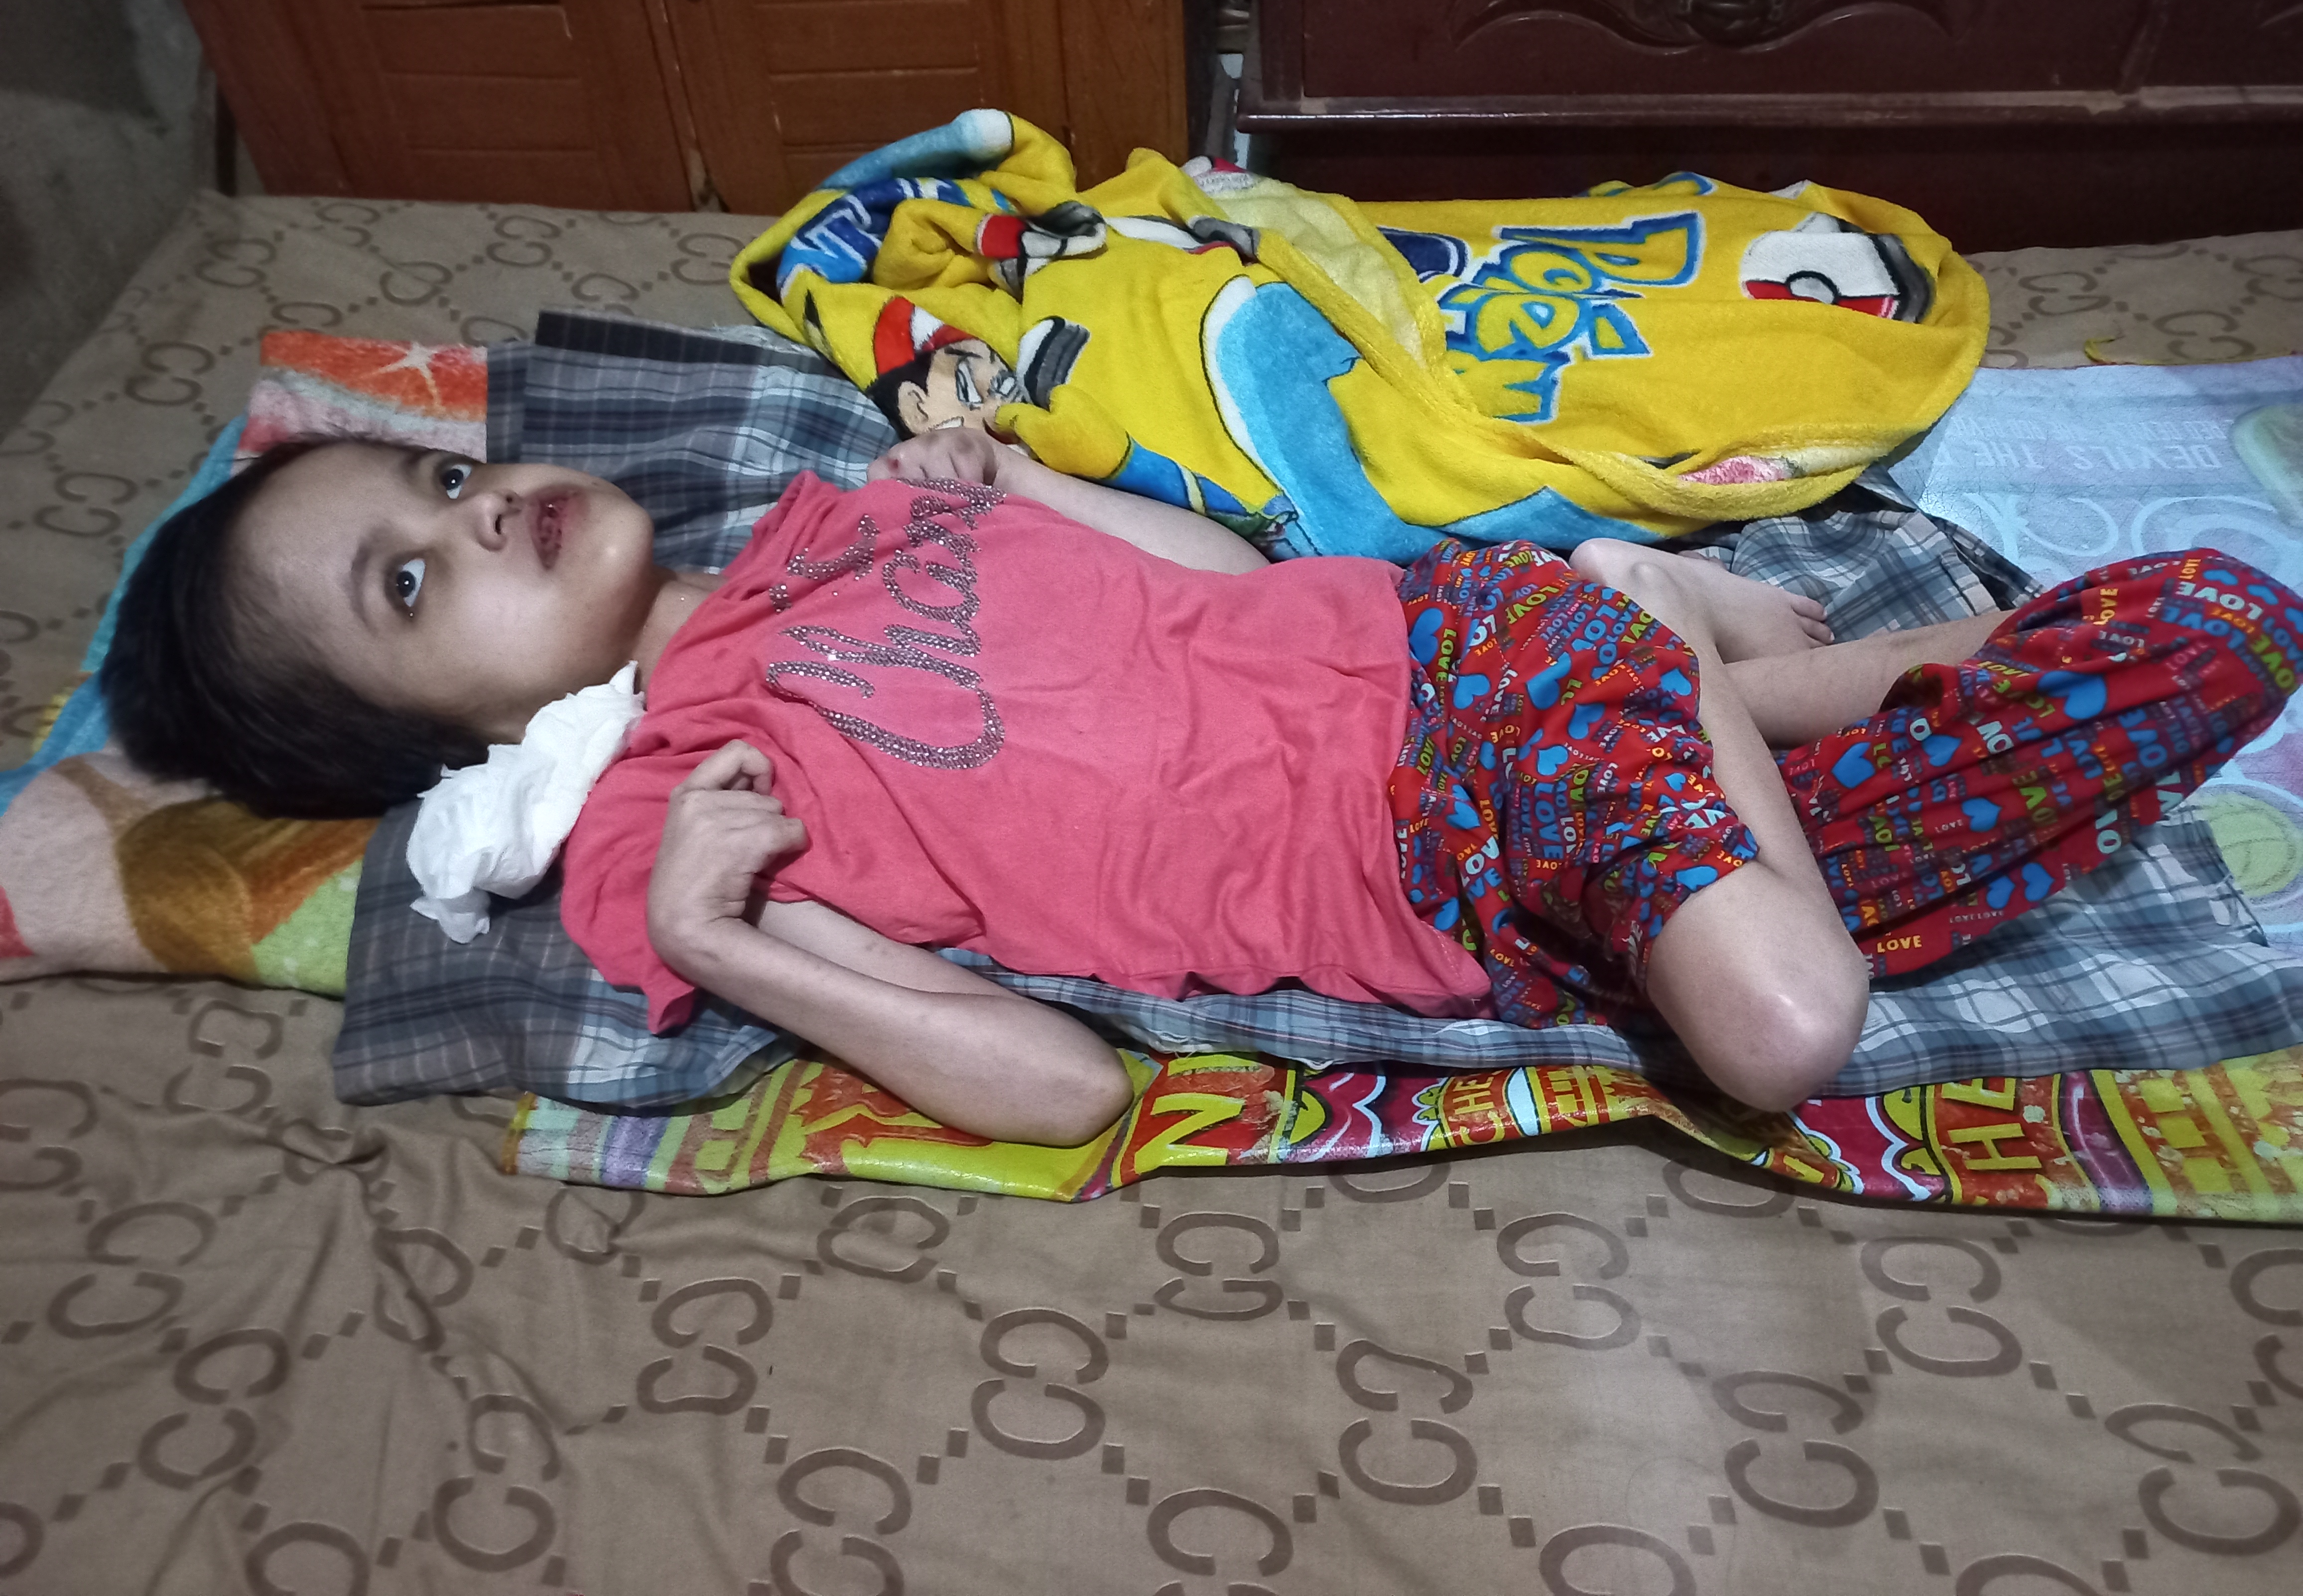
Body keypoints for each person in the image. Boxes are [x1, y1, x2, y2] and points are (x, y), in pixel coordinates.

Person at [101, 431, 2302, 1146]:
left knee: (1787, 1029)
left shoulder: (854, 509)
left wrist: (1011, 481)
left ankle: (1639, 628)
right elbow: (1063, 1091)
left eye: (441, 476)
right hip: (1481, 892)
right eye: (412, 578)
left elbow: (1236, 583)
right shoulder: (671, 841)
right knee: (2201, 636)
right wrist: (716, 936)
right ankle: (1733, 664)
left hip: (1460, 675)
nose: (481, 506)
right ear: (435, 748)